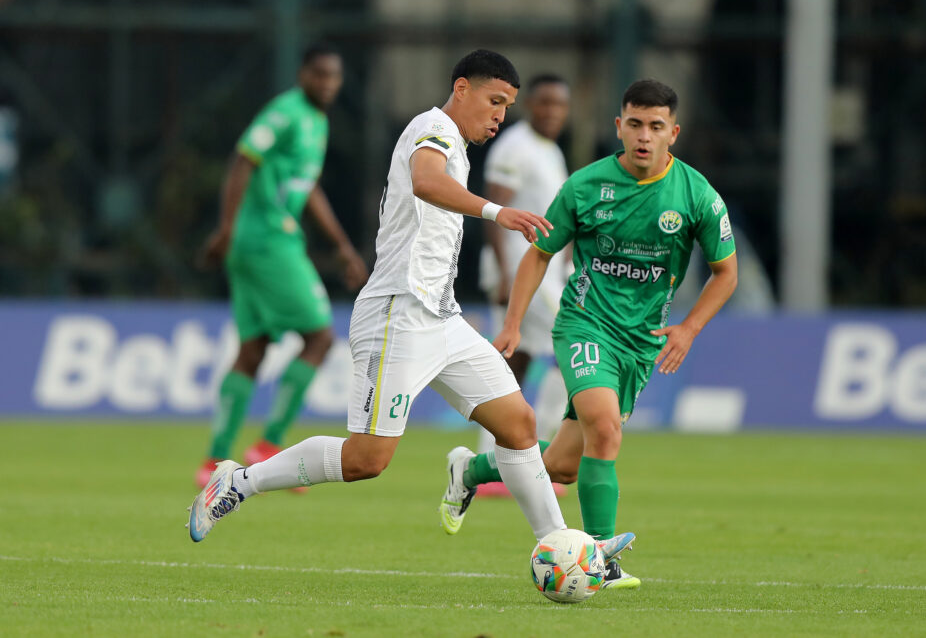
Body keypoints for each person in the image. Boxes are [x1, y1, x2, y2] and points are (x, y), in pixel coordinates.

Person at [186, 49, 636, 570]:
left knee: (518, 424)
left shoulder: (456, 142)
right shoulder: (434, 127)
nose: (499, 116)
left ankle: (565, 550)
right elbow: (425, 180)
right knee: (366, 459)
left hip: (441, 317)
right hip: (397, 314)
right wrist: (496, 211)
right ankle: (239, 482)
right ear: (462, 88)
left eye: (507, 107)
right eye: (494, 101)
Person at [448, 79, 738, 589]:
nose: (644, 136)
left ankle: (471, 471)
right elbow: (539, 254)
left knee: (562, 465)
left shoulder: (697, 195)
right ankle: (602, 559)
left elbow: (726, 272)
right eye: (635, 124)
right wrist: (513, 322)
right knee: (604, 428)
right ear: (618, 126)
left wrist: (689, 328)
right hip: (585, 323)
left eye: (655, 126)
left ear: (673, 133)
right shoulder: (586, 186)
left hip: (640, 343)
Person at [194, 43, 369, 490]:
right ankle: (268, 446)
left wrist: (341, 246)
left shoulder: (317, 120)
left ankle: (214, 459)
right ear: (302, 74)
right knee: (320, 336)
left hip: (259, 240)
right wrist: (226, 229)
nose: (327, 84)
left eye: (334, 76)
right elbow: (243, 159)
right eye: (319, 74)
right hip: (268, 239)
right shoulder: (286, 112)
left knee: (252, 348)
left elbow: (307, 187)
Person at [475, 73, 572, 498]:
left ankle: (496, 463)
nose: (552, 111)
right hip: (521, 272)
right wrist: (502, 271)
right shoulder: (514, 146)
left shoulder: (550, 150)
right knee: (573, 351)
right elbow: (495, 210)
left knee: (517, 362)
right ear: (529, 104)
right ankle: (543, 462)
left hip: (546, 274)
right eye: (544, 102)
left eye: (559, 104)